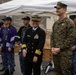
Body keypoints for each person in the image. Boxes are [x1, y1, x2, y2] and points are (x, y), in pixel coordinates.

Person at [51, 2, 76, 75]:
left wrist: (60, 49)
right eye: (56, 8)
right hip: (56, 54)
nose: (56, 10)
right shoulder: (56, 23)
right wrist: (52, 48)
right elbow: (52, 36)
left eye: (58, 8)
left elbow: (71, 39)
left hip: (65, 55)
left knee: (65, 73)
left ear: (64, 10)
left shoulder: (69, 23)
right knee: (57, 72)